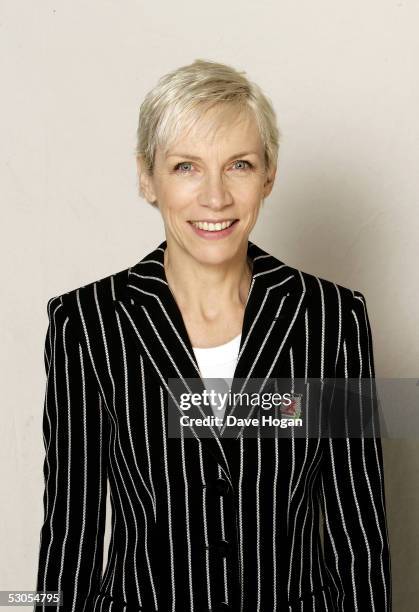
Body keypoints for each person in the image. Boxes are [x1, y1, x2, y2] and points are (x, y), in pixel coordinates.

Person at [34, 58, 391, 611]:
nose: (216, 197)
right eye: (186, 167)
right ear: (146, 178)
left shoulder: (332, 318)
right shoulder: (87, 324)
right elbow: (69, 537)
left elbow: (359, 532)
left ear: (269, 174)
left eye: (239, 165)